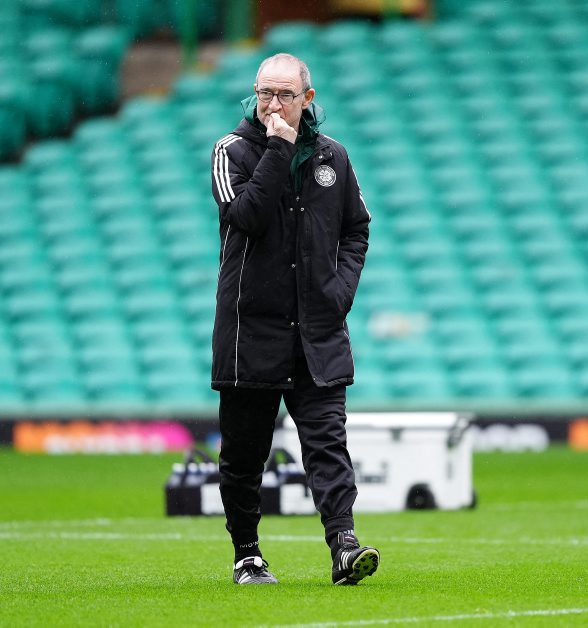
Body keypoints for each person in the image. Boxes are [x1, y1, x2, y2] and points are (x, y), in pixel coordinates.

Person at [209, 53, 378, 585]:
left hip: (317, 332)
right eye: (265, 93)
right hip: (250, 333)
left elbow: (356, 229)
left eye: (285, 94)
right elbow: (247, 216)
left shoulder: (334, 157)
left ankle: (344, 546)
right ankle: (247, 554)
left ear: (308, 98)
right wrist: (278, 148)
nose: (273, 104)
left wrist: (338, 292)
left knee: (328, 444)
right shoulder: (231, 151)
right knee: (244, 456)